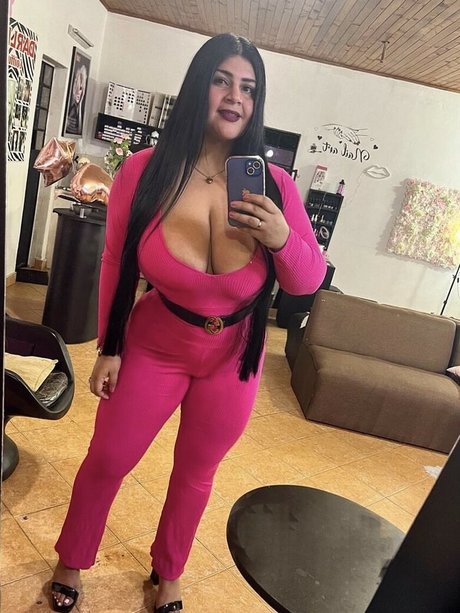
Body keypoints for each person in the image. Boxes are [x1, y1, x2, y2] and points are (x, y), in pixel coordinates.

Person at [50, 33, 326, 613]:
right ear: (199, 85)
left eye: (248, 88)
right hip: (155, 342)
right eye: (222, 80)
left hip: (235, 354)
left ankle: (169, 571)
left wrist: (281, 238)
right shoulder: (145, 172)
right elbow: (115, 260)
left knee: (197, 473)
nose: (234, 97)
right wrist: (109, 345)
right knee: (109, 457)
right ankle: (72, 558)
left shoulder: (274, 187)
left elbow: (307, 282)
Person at [65, 62, 88, 135]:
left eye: (80, 88)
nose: (78, 92)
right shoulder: (69, 109)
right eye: (76, 87)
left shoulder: (81, 111)